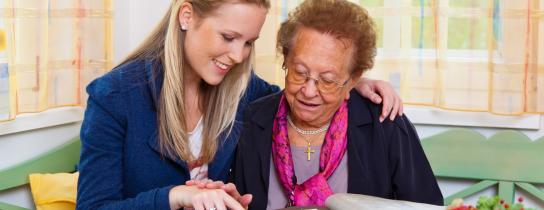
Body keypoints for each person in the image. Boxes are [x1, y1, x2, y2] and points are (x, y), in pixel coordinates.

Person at [76, 0, 403, 210]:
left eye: (249, 42)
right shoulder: (115, 97)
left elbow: (299, 94)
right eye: (228, 37)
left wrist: (349, 82)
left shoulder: (241, 89)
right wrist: (177, 196)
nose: (238, 56)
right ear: (186, 16)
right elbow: (93, 207)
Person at [230, 0, 443, 209]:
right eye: (299, 73)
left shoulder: (384, 124)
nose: (309, 91)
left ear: (353, 78)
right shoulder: (253, 120)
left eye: (328, 80)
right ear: (286, 60)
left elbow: (426, 206)